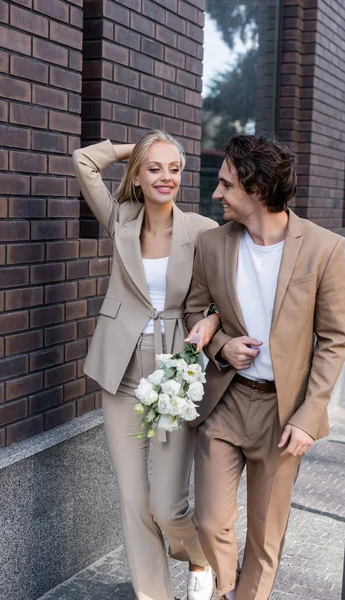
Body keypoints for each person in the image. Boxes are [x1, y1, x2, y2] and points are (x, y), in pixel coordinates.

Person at [184, 134, 345, 600]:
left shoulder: (325, 249)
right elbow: (192, 313)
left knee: (264, 535)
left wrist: (309, 416)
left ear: (255, 188)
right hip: (226, 401)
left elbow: (334, 341)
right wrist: (220, 344)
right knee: (210, 520)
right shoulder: (212, 244)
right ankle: (222, 591)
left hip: (283, 417)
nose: (216, 194)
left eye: (226, 184)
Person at [72, 131, 219, 600]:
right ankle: (155, 595)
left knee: (167, 504)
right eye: (154, 168)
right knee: (134, 500)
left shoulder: (201, 229)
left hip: (176, 374)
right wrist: (127, 150)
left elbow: (222, 297)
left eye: (174, 169)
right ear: (137, 175)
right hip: (121, 370)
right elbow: (83, 161)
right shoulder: (121, 219)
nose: (166, 178)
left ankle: (201, 556)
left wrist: (211, 324)